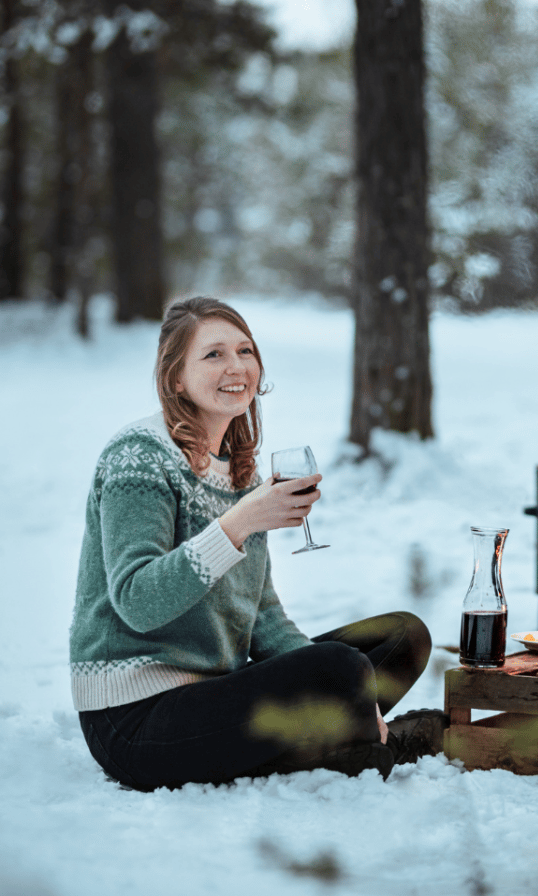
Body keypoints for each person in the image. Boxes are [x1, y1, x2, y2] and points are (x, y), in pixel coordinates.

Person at [70, 296, 445, 791]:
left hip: (216, 691)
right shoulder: (138, 458)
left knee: (402, 635)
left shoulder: (240, 472)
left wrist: (346, 684)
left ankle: (350, 739)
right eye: (214, 355)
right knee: (341, 669)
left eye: (245, 351)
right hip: (136, 718)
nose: (236, 366)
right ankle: (377, 747)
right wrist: (236, 525)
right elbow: (138, 602)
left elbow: (261, 614)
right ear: (175, 378)